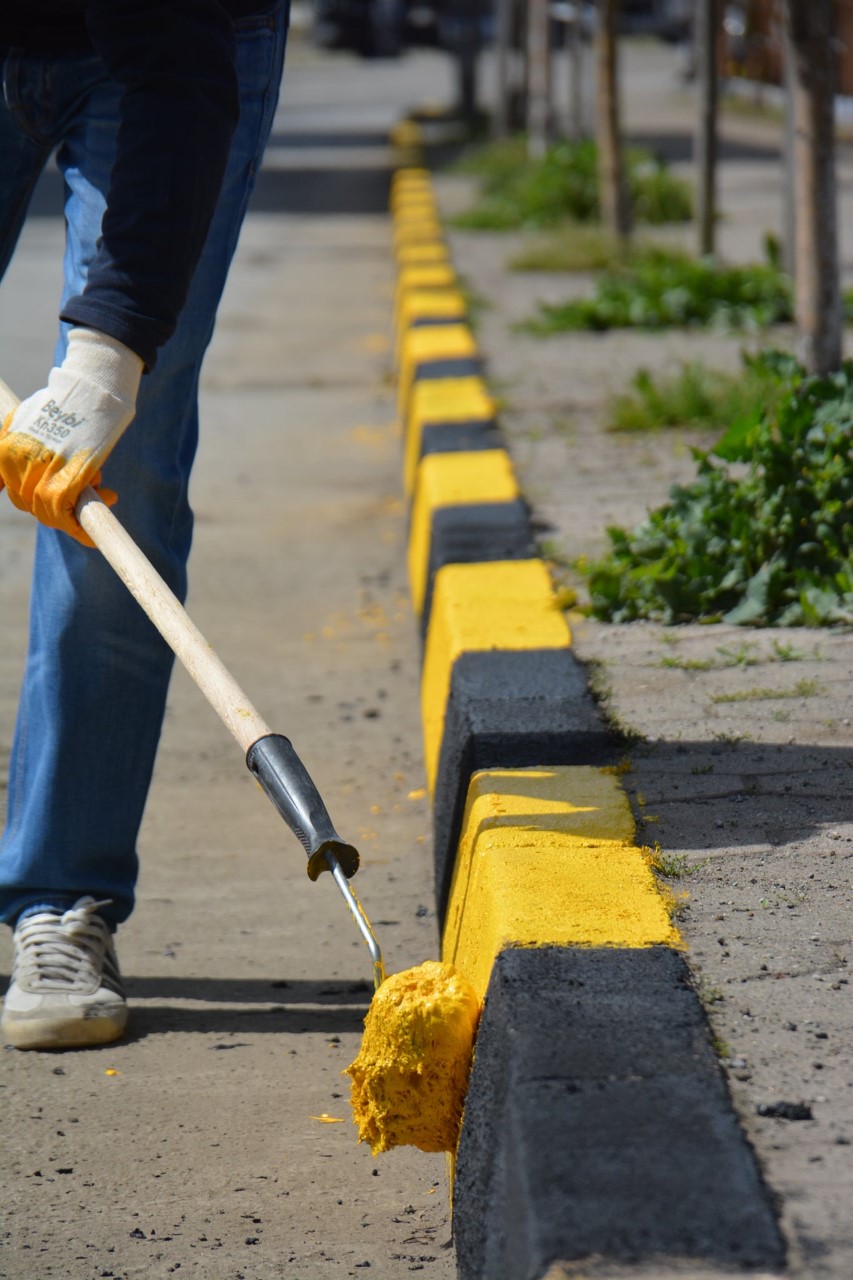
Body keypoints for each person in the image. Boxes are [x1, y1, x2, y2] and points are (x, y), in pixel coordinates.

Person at [0, 0, 289, 1050]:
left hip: (181, 38)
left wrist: (107, 359)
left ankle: (60, 896)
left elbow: (176, 77)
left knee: (113, 466)